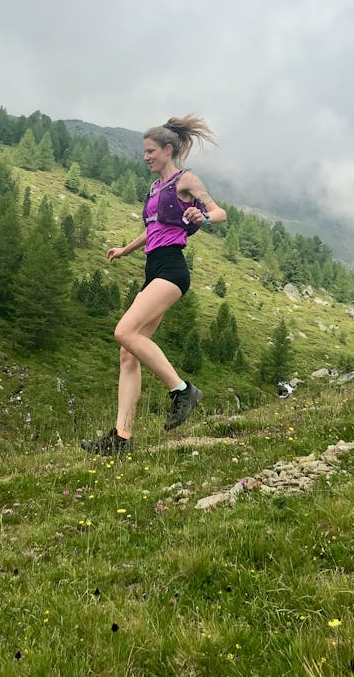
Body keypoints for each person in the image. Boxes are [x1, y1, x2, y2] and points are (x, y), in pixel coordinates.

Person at [81, 115, 227, 455]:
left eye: (150, 151)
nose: (145, 157)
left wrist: (202, 217)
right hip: (153, 267)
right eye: (144, 152)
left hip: (172, 270)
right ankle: (122, 437)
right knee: (128, 351)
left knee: (124, 331)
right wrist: (124, 250)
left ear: (167, 150)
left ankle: (182, 390)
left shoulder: (185, 179)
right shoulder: (155, 189)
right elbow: (153, 229)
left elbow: (219, 213)